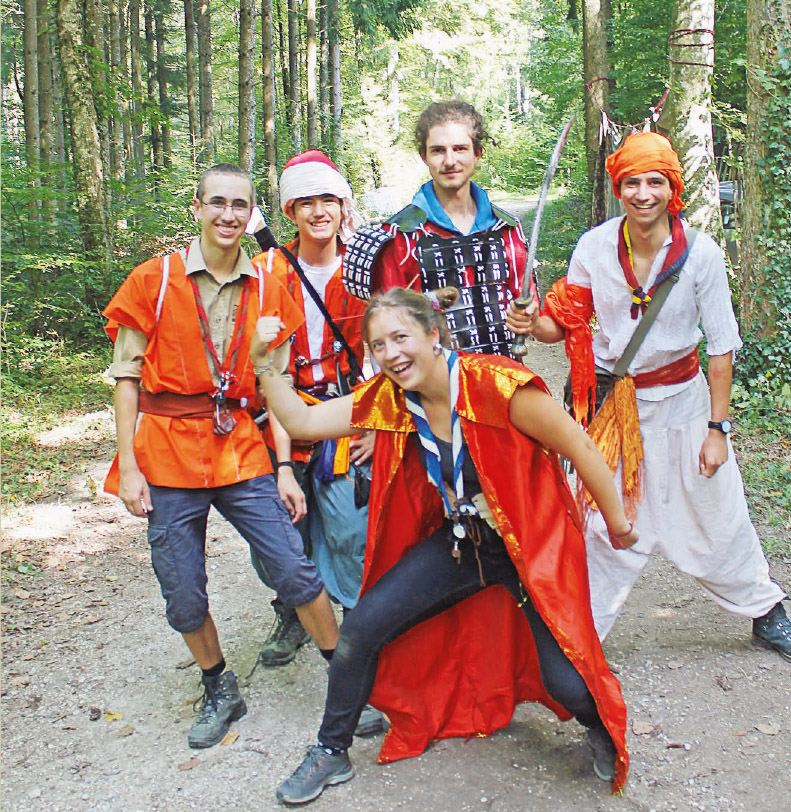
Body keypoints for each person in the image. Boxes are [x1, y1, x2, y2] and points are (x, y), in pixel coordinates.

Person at [250, 288, 639, 805]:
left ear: (434, 335)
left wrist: (617, 522)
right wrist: (266, 370)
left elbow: (580, 446)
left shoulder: (499, 387)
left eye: (400, 337)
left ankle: (597, 724)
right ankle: (330, 748)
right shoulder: (390, 396)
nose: (390, 353)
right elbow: (302, 423)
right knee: (361, 628)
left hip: (522, 551)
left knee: (568, 685)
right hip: (460, 544)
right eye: (378, 344)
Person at [506, 132, 791, 667]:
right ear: (618, 189)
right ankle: (577, 634)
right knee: (603, 521)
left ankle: (766, 612)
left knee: (716, 512)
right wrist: (528, 319)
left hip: (684, 404)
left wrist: (718, 431)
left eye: (655, 181)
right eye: (632, 182)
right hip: (612, 408)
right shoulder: (595, 247)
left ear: (672, 189)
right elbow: (562, 324)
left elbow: (721, 349)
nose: (643, 193)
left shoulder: (701, 255)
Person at [102, 163, 341, 750]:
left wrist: (284, 466)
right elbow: (126, 377)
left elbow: (277, 386)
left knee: (294, 567)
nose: (229, 215)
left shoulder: (269, 284)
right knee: (181, 588)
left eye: (240, 205)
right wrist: (127, 464)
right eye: (218, 203)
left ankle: (347, 678)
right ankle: (218, 685)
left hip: (239, 444)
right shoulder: (152, 281)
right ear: (198, 208)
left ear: (252, 211)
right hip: (165, 452)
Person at [248, 150, 371, 667]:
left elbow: (388, 350)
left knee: (349, 526)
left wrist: (375, 423)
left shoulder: (366, 265)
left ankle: (358, 624)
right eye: (306, 202)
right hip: (278, 412)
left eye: (329, 200)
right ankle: (292, 610)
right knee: (279, 530)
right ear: (289, 212)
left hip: (346, 410)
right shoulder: (264, 269)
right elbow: (257, 364)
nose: (319, 211)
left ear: (344, 206)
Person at [342, 99, 533, 358]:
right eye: (438, 150)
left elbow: (535, 319)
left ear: (477, 153)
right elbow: (387, 335)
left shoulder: (507, 231)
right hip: (431, 388)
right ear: (425, 156)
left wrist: (528, 318)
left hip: (505, 379)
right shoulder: (402, 239)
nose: (450, 160)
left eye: (460, 148)